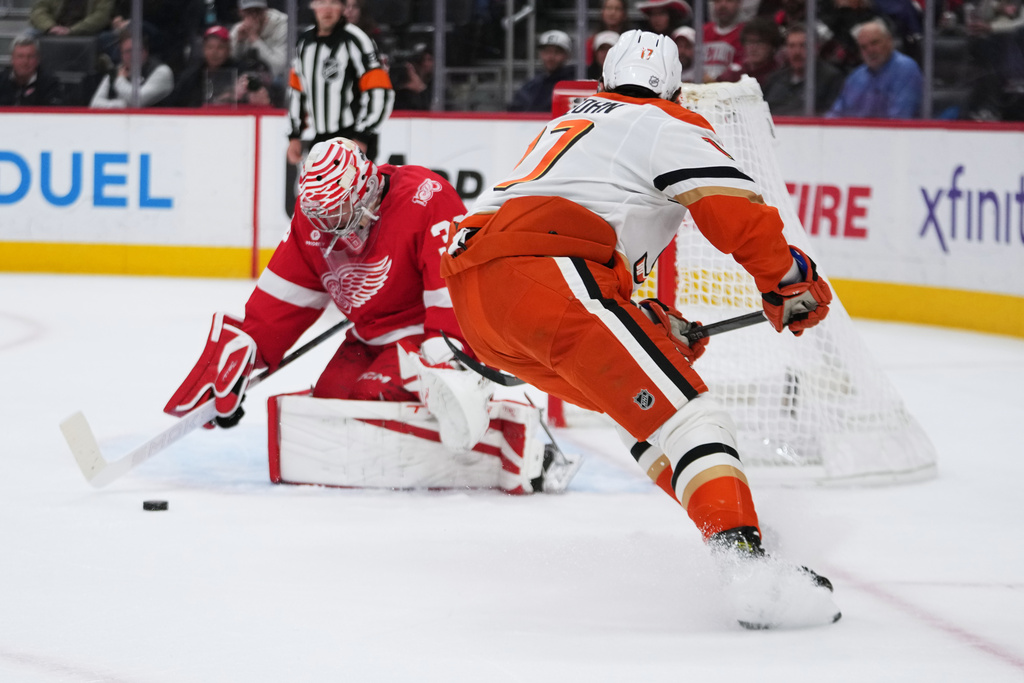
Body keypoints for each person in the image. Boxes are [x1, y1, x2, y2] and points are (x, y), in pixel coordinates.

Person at [439, 29, 840, 629]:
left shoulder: (569, 124)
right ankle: (748, 568)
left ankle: (730, 525)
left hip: (481, 305)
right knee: (692, 418)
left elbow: (578, 228)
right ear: (675, 90)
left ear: (602, 82)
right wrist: (787, 278)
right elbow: (737, 214)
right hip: (548, 280)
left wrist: (654, 323)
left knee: (651, 421)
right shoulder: (664, 123)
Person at [165, 138, 548, 489]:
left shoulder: (425, 196)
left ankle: (508, 437)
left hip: (428, 335)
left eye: (339, 213)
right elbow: (285, 297)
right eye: (322, 218)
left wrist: (449, 357)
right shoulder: (312, 221)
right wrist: (247, 353)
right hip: (369, 335)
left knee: (370, 397)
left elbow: (452, 291)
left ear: (364, 189)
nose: (330, 228)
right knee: (331, 402)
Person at [287, 0, 394, 165]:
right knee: (313, 190)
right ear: (313, 6)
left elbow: (379, 90)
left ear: (343, 7)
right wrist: (295, 135)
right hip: (321, 139)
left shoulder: (356, 40)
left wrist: (363, 136)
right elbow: (297, 91)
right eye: (322, 2)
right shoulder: (304, 43)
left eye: (334, 3)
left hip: (352, 137)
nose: (327, 9)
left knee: (350, 190)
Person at [827, 17, 923, 118]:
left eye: (874, 43)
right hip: (857, 132)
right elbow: (836, 113)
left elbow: (899, 120)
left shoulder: (905, 70)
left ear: (889, 41)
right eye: (863, 47)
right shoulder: (856, 77)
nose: (870, 50)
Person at [762, 23, 844, 116]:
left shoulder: (830, 79)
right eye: (791, 46)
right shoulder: (775, 79)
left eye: (803, 45)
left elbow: (831, 116)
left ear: (815, 48)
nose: (797, 52)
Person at [89, 27, 173, 107]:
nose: (132, 55)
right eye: (127, 51)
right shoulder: (116, 71)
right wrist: (122, 105)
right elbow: (94, 104)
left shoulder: (161, 71)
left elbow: (138, 100)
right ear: (121, 55)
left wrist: (120, 80)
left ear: (145, 51)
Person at [168, 25, 239, 107]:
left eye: (220, 47)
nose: (214, 53)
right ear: (203, 49)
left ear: (228, 50)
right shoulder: (192, 74)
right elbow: (174, 101)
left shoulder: (238, 71)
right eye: (210, 47)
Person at [509, 29, 576, 112]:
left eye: (557, 52)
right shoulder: (532, 84)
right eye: (547, 52)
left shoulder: (574, 85)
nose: (550, 57)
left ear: (567, 55)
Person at [230, 0, 289, 80]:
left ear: (266, 10)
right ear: (241, 12)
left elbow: (280, 68)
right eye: (249, 12)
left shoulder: (282, 25)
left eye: (258, 10)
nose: (254, 15)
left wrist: (254, 38)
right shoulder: (239, 29)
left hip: (277, 81)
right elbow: (229, 66)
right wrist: (240, 42)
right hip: (246, 79)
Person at [717, 17, 783, 87]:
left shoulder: (778, 78)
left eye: (760, 42)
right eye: (750, 42)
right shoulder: (734, 76)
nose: (753, 48)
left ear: (772, 46)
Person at [0, 33, 63, 106]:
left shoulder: (50, 84)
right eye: (20, 56)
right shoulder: (1, 80)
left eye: (30, 57)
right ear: (12, 59)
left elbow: (54, 114)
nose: (25, 62)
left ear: (38, 60)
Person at [703, 0, 746, 80]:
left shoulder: (746, 33)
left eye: (729, 1)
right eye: (718, 1)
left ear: (739, 3)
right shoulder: (702, 31)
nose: (723, 5)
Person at [29, 0, 114, 37]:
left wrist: (72, 30)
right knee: (27, 37)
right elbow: (38, 10)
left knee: (110, 39)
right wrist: (51, 27)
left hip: (88, 31)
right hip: (54, 29)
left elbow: (102, 15)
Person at [586, 0, 630, 65]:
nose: (612, 13)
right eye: (609, 8)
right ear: (602, 11)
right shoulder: (591, 42)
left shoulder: (631, 41)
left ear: (624, 13)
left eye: (617, 9)